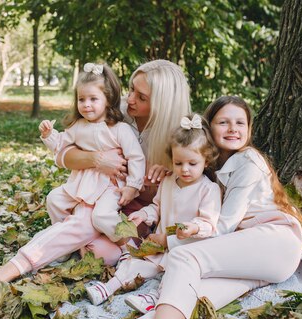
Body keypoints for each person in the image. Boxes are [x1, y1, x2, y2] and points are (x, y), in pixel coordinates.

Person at [51, 96, 302, 319]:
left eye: (240, 122)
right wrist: (167, 173)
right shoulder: (210, 165)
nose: (233, 128)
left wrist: (165, 241)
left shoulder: (247, 161)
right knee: (184, 297)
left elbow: (221, 228)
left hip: (273, 242)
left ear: (249, 128)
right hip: (250, 257)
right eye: (224, 122)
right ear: (210, 130)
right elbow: (186, 183)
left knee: (185, 257)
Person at [0, 60, 191, 315]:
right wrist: (97, 160)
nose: (130, 98)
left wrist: (167, 175)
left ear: (161, 104)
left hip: (135, 214)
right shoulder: (118, 111)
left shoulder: (181, 136)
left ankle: (44, 253)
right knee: (81, 223)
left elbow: (189, 188)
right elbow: (64, 154)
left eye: (141, 96)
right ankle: (3, 274)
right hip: (102, 196)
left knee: (98, 248)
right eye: (131, 89)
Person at [84, 113, 221, 305]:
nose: (185, 169)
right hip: (158, 246)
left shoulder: (208, 189)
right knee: (135, 265)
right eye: (178, 163)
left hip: (186, 248)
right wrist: (143, 214)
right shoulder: (168, 181)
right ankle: (108, 288)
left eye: (192, 164)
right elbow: (157, 207)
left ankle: (155, 299)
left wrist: (195, 227)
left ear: (206, 161)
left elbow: (210, 223)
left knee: (177, 274)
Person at [39, 63, 145, 246]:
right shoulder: (78, 126)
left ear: (108, 99)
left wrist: (133, 186)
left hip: (110, 185)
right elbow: (60, 145)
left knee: (102, 215)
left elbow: (136, 157)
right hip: (82, 181)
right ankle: (64, 239)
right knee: (54, 199)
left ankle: (128, 245)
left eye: (93, 99)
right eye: (81, 99)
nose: (86, 105)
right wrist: (48, 135)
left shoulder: (120, 129)